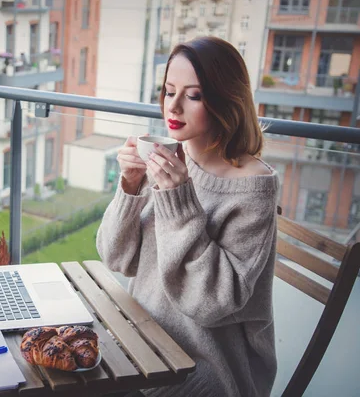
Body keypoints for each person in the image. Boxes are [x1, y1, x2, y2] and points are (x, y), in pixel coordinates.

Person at [96, 36, 279, 397]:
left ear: (226, 100)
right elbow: (116, 258)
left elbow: (209, 304)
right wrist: (130, 187)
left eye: (193, 96)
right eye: (168, 91)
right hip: (144, 339)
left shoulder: (253, 187)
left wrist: (178, 199)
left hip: (209, 369)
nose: (173, 107)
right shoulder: (172, 160)